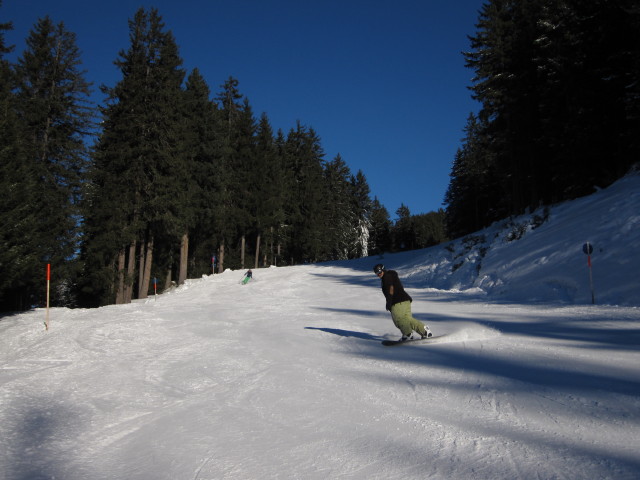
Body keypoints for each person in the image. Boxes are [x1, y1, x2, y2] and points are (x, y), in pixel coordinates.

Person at [373, 263, 432, 341]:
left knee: (399, 320)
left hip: (397, 302)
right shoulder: (391, 275)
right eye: (376, 273)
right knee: (408, 320)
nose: (378, 274)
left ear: (383, 270)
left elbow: (391, 288)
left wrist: (389, 302)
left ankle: (407, 334)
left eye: (380, 272)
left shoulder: (386, 276)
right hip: (405, 300)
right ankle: (425, 331)